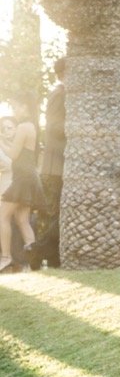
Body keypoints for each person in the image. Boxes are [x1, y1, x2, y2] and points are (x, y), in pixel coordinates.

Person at [28, 58, 64, 269]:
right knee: (53, 215)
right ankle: (38, 251)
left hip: (59, 165)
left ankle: (52, 256)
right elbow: (53, 126)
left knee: (57, 214)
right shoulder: (59, 94)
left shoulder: (62, 93)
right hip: (55, 166)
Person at [0, 104, 44, 273]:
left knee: (2, 216)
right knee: (22, 219)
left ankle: (5, 257)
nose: (15, 109)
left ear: (25, 108)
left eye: (18, 107)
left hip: (21, 179)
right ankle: (34, 262)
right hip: (28, 178)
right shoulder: (31, 127)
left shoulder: (23, 127)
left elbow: (12, 155)